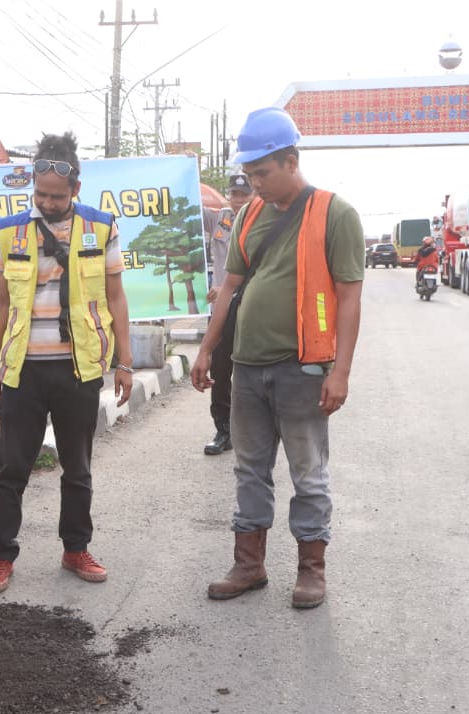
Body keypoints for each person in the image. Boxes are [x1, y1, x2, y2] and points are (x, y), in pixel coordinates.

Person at [190, 107, 364, 609]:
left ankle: (311, 570)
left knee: (308, 473)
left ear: (291, 160)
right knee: (249, 470)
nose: (255, 184)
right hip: (247, 368)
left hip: (303, 369)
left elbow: (349, 297)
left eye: (262, 173)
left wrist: (341, 373)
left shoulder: (335, 214)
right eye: (249, 175)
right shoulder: (248, 215)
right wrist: (207, 349)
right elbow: (229, 287)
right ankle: (249, 565)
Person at [0, 131, 133, 596]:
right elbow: (1, 300)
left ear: (76, 189)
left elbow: (116, 296)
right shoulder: (11, 231)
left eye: (57, 197)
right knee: (12, 469)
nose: (47, 203)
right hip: (22, 370)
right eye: (40, 194)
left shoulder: (101, 227)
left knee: (77, 468)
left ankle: (76, 549)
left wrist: (125, 362)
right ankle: (1, 556)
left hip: (78, 369)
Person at [200, 172, 254, 456]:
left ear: (253, 195)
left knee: (252, 371)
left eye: (244, 194)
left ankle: (255, 430)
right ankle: (223, 430)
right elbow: (190, 206)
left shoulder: (263, 221)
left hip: (252, 307)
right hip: (220, 309)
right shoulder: (219, 218)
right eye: (234, 194)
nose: (238, 200)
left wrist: (227, 288)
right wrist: (188, 167)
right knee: (220, 371)